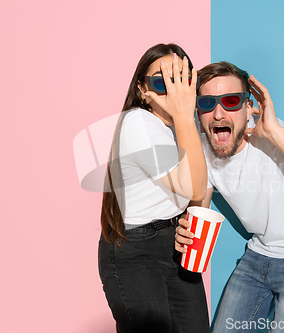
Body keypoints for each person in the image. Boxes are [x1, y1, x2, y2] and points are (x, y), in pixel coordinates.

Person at [175, 62, 284, 333]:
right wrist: (187, 231)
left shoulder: (274, 136)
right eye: (208, 103)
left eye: (231, 101)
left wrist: (276, 133)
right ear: (198, 111)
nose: (219, 113)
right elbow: (200, 206)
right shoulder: (203, 149)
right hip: (258, 254)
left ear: (248, 108)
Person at [98, 43, 210, 333]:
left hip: (174, 244)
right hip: (138, 252)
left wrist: (186, 223)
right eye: (161, 81)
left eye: (180, 79)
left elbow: (199, 195)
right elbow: (194, 188)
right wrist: (186, 115)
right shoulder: (139, 122)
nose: (173, 90)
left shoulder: (180, 130)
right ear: (142, 89)